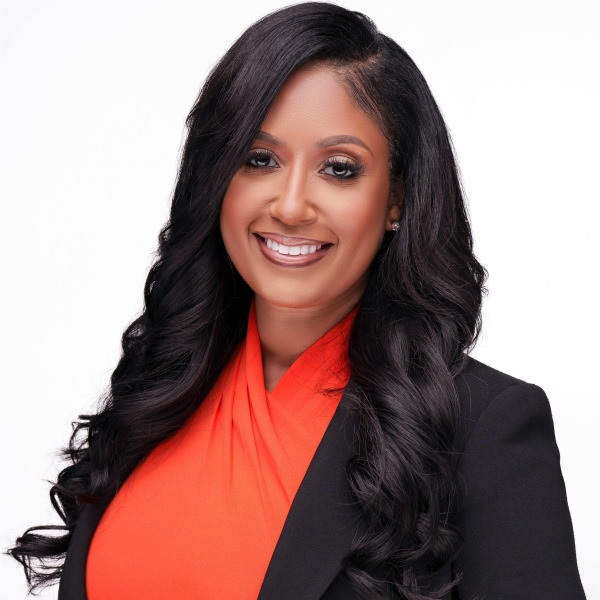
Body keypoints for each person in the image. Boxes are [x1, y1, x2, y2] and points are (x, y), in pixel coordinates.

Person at [10, 3, 586, 599]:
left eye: (339, 169)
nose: (289, 206)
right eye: (259, 159)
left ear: (397, 198)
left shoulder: (479, 426)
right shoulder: (158, 391)